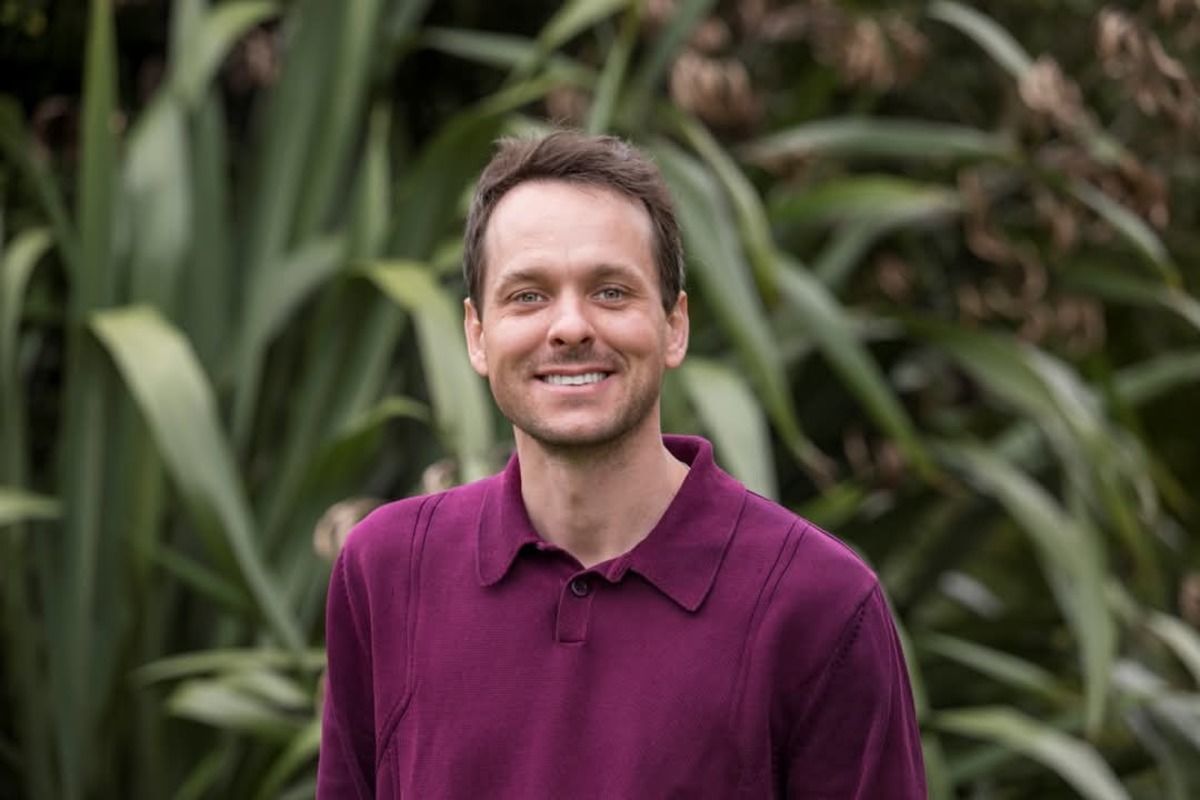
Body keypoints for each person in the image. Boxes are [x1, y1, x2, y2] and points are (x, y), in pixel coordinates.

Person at [317, 131, 926, 798]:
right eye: (528, 295)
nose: (570, 327)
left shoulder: (820, 605)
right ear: (477, 335)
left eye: (610, 292)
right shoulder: (387, 572)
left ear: (674, 326)